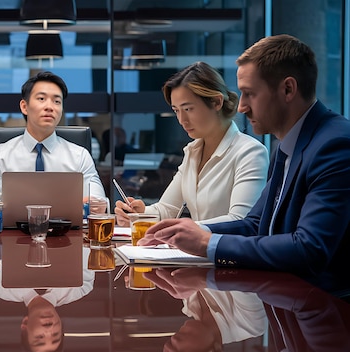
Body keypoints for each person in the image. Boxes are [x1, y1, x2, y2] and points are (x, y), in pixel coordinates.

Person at [140, 34, 350, 286]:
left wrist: (208, 243)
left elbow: (309, 249)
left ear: (288, 89)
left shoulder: (335, 144)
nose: (241, 107)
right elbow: (255, 224)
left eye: (250, 94)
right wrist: (196, 232)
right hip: (284, 300)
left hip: (325, 309)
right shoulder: (287, 146)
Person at [115, 61, 269, 226]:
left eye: (188, 109)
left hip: (224, 251)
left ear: (217, 102)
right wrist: (139, 214)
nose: (182, 120)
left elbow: (241, 221)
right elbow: (167, 209)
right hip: (195, 250)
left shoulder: (250, 152)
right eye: (176, 111)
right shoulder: (192, 151)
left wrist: (186, 228)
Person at [0, 71, 106, 218]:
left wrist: (93, 205)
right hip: (9, 238)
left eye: (57, 101)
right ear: (24, 106)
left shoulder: (80, 156)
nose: (49, 107)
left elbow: (99, 203)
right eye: (41, 98)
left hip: (67, 237)